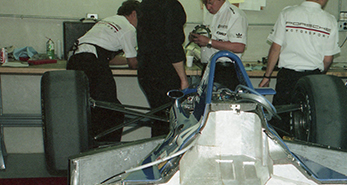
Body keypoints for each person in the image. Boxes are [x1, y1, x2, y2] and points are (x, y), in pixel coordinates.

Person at [67, 0, 140, 144]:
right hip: (91, 62)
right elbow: (133, 63)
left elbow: (109, 60)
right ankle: (106, 149)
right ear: (134, 13)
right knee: (112, 110)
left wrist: (129, 59)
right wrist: (145, 61)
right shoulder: (129, 28)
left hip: (76, 59)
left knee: (91, 109)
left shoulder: (107, 21)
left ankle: (90, 147)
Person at [258, 0, 340, 107]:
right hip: (313, 78)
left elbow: (275, 49)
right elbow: (328, 59)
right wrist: (319, 76)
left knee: (283, 116)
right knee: (309, 118)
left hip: (287, 78)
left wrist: (267, 76)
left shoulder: (287, 13)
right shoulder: (330, 20)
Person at [136, 0, 189, 138]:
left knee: (158, 118)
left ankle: (157, 154)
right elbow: (172, 44)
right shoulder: (172, 6)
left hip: (145, 69)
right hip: (164, 70)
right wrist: (183, 78)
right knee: (169, 121)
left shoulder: (144, 4)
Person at [188, 0, 248, 90]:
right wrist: (197, 40)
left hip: (225, 71)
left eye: (210, 3)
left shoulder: (235, 15)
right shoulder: (209, 15)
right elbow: (212, 43)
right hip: (207, 68)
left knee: (221, 103)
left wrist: (209, 42)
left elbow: (239, 47)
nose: (208, 7)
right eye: (205, 4)